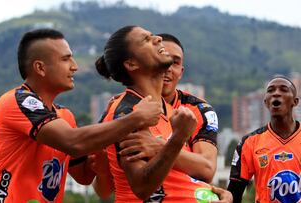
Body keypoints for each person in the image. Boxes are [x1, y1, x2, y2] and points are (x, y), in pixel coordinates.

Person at [0, 28, 163, 202]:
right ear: (40, 68)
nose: (75, 67)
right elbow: (73, 142)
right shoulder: (16, 101)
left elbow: (84, 176)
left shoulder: (64, 117)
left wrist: (103, 153)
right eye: (66, 59)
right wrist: (136, 118)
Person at [92, 32, 231, 202]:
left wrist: (213, 194)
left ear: (181, 71)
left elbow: (195, 174)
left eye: (176, 62)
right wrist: (177, 138)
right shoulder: (128, 113)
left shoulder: (179, 110)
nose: (157, 41)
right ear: (131, 63)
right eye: (148, 40)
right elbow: (140, 187)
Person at [227, 75, 301, 203]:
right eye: (271, 90)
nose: (276, 93)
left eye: (283, 89)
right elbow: (234, 193)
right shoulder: (249, 143)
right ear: (265, 101)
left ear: (295, 101)